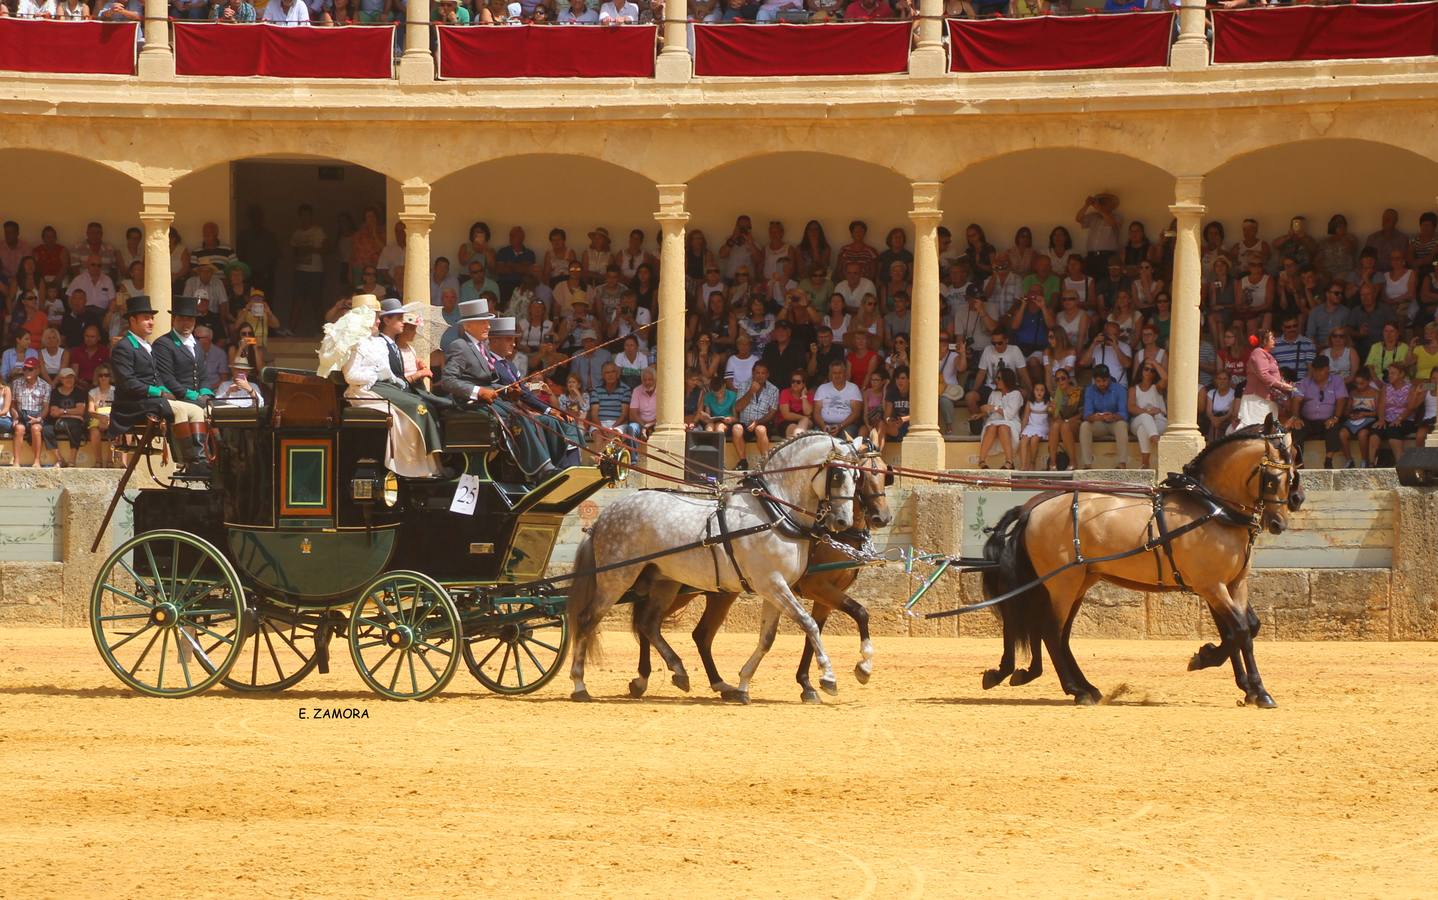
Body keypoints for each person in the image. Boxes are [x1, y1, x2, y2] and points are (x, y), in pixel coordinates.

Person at [331, 295, 443, 479]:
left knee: (419, 402)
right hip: (362, 390)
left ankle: (427, 465)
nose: (378, 320)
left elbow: (386, 372)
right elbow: (350, 376)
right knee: (416, 408)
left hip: (382, 386)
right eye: (375, 316)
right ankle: (410, 466)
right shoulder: (353, 343)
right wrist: (376, 375)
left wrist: (395, 380)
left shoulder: (377, 342)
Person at [109, 294, 211, 476]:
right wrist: (159, 392)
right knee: (180, 410)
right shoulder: (123, 347)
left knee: (195, 410)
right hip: (131, 404)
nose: (151, 322)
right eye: (146, 318)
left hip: (150, 399)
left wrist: (162, 389)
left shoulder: (145, 345)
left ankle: (200, 459)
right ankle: (186, 462)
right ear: (132, 320)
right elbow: (128, 383)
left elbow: (157, 377)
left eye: (152, 318)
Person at [153, 296, 216, 410]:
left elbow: (203, 376)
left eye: (190, 319)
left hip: (198, 399)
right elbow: (168, 379)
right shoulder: (163, 344)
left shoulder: (197, 344)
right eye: (182, 319)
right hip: (177, 399)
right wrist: (194, 396)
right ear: (173, 319)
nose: (186, 323)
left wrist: (205, 394)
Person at [1288, 355, 1348, 469]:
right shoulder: (1305, 382)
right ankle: (1299, 462)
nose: (1316, 374)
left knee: (1334, 426)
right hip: (1308, 420)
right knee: (1297, 428)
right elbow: (1296, 400)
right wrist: (1296, 417)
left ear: (1327, 370)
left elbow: (1341, 400)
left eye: (1320, 371)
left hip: (1328, 419)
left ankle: (1328, 460)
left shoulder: (1337, 380)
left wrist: (1336, 417)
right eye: (1315, 370)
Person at [1237, 329, 1296, 428]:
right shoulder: (1258, 352)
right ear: (1264, 341)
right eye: (1272, 338)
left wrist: (1284, 384)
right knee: (1255, 428)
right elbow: (1263, 374)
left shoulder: (1265, 354)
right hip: (1257, 399)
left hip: (1265, 399)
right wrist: (1282, 385)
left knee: (1267, 430)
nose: (1274, 340)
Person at [1079, 363, 1129, 470]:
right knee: (1085, 426)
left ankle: (1122, 463)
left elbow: (1124, 414)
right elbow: (1086, 415)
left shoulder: (1120, 389)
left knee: (1122, 425)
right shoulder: (1090, 390)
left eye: (1104, 381)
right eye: (1098, 381)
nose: (1102, 384)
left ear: (1109, 378)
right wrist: (1095, 417)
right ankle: (1087, 464)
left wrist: (1113, 416)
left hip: (1115, 422)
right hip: (1099, 423)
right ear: (1094, 380)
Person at [731, 361, 779, 468]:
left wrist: (757, 422)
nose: (760, 376)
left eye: (763, 373)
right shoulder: (743, 386)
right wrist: (751, 391)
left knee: (760, 429)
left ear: (767, 375)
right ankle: (743, 462)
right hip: (745, 423)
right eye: (757, 373)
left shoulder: (773, 390)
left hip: (763, 423)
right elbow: (738, 407)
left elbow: (772, 412)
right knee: (736, 428)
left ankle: (765, 463)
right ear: (753, 373)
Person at [975, 367, 1022, 469]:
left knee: (1003, 427)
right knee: (991, 427)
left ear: (1007, 379)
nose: (996, 380)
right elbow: (990, 411)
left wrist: (994, 408)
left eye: (999, 378)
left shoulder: (1016, 394)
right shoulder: (994, 393)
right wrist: (982, 413)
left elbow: (1009, 414)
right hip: (994, 420)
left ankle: (1009, 461)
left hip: (1011, 422)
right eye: (996, 378)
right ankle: (982, 460)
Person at [1374, 362, 1417, 466]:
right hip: (1388, 419)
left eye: (1393, 373)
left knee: (1393, 431)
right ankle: (1370, 464)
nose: (1389, 375)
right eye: (1389, 373)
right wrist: (1381, 419)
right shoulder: (1386, 387)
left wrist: (1399, 419)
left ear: (1401, 374)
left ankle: (1401, 464)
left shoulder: (1410, 388)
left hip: (1405, 419)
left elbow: (1410, 408)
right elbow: (1381, 405)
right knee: (1375, 430)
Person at [10, 359, 49, 468]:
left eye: (30, 369)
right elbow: (13, 404)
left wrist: (39, 418)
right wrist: (15, 416)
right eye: (25, 369)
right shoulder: (16, 383)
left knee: (36, 429)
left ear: (37, 370)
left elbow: (46, 407)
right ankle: (16, 461)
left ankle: (36, 461)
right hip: (21, 413)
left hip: (37, 414)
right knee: (19, 429)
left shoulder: (45, 386)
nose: (27, 371)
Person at [1128, 363, 1168, 469]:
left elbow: (1165, 377)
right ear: (1141, 370)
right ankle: (1156, 440)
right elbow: (1131, 408)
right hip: (1138, 420)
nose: (1149, 372)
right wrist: (1147, 412)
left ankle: (1145, 463)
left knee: (1143, 429)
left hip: (1158, 422)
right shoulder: (1134, 389)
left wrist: (1154, 362)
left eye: (1152, 370)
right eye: (1146, 369)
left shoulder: (1157, 387)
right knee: (1145, 417)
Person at [44, 368, 86, 468]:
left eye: (71, 377)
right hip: (57, 421)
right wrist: (72, 414)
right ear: (61, 380)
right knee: (46, 429)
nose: (69, 380)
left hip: (73, 422)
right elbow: (54, 412)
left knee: (75, 427)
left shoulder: (79, 392)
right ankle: (59, 459)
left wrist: (62, 411)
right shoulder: (55, 392)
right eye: (66, 378)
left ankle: (72, 460)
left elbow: (80, 411)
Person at [812, 360, 862, 439]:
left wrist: (840, 426)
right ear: (830, 374)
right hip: (825, 424)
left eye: (840, 373)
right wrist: (823, 426)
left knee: (846, 436)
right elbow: (816, 413)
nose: (837, 375)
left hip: (846, 425)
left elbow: (856, 413)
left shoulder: (853, 388)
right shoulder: (822, 388)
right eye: (834, 373)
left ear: (845, 373)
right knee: (816, 438)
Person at [1050, 367, 1082, 471]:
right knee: (1055, 426)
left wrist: (1067, 421)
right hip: (1063, 424)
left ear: (1069, 379)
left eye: (1063, 378)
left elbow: (1082, 413)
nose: (1060, 381)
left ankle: (1073, 462)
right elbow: (1057, 418)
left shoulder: (1079, 392)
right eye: (1057, 379)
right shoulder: (1057, 394)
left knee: (1064, 425)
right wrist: (1053, 410)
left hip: (1077, 422)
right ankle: (1053, 463)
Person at [86, 364, 115, 468]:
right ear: (97, 377)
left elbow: (119, 408)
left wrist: (108, 418)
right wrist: (101, 418)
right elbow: (90, 410)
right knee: (94, 432)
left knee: (114, 431)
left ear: (110, 377)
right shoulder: (92, 392)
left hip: (112, 417)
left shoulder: (115, 391)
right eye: (101, 375)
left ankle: (110, 460)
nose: (103, 377)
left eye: (106, 375)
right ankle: (98, 461)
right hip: (97, 416)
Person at [1018, 380, 1050, 471]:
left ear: (1045, 392)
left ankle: (1032, 462)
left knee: (1034, 439)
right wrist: (1022, 430)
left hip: (1042, 426)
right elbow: (1025, 417)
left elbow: (1050, 417)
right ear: (1033, 391)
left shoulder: (1047, 403)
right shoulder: (1029, 403)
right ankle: (1023, 465)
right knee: (1024, 439)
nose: (1039, 392)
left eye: (1042, 390)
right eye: (1037, 390)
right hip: (1031, 426)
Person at [1202, 368, 1239, 442]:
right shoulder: (1211, 393)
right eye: (1219, 379)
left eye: (1225, 379)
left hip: (1227, 419)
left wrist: (1219, 420)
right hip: (1214, 419)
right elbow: (1208, 412)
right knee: (1212, 425)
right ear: (1216, 380)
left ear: (1229, 381)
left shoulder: (1233, 393)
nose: (1222, 381)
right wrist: (1214, 420)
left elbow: (1230, 412)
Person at [776, 371, 813, 438]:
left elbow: (808, 412)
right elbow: (786, 415)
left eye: (798, 382)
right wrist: (803, 418)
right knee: (794, 427)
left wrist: (804, 396)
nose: (795, 384)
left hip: (804, 424)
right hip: (786, 422)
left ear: (804, 384)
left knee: (806, 422)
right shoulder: (785, 393)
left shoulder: (809, 395)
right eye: (793, 381)